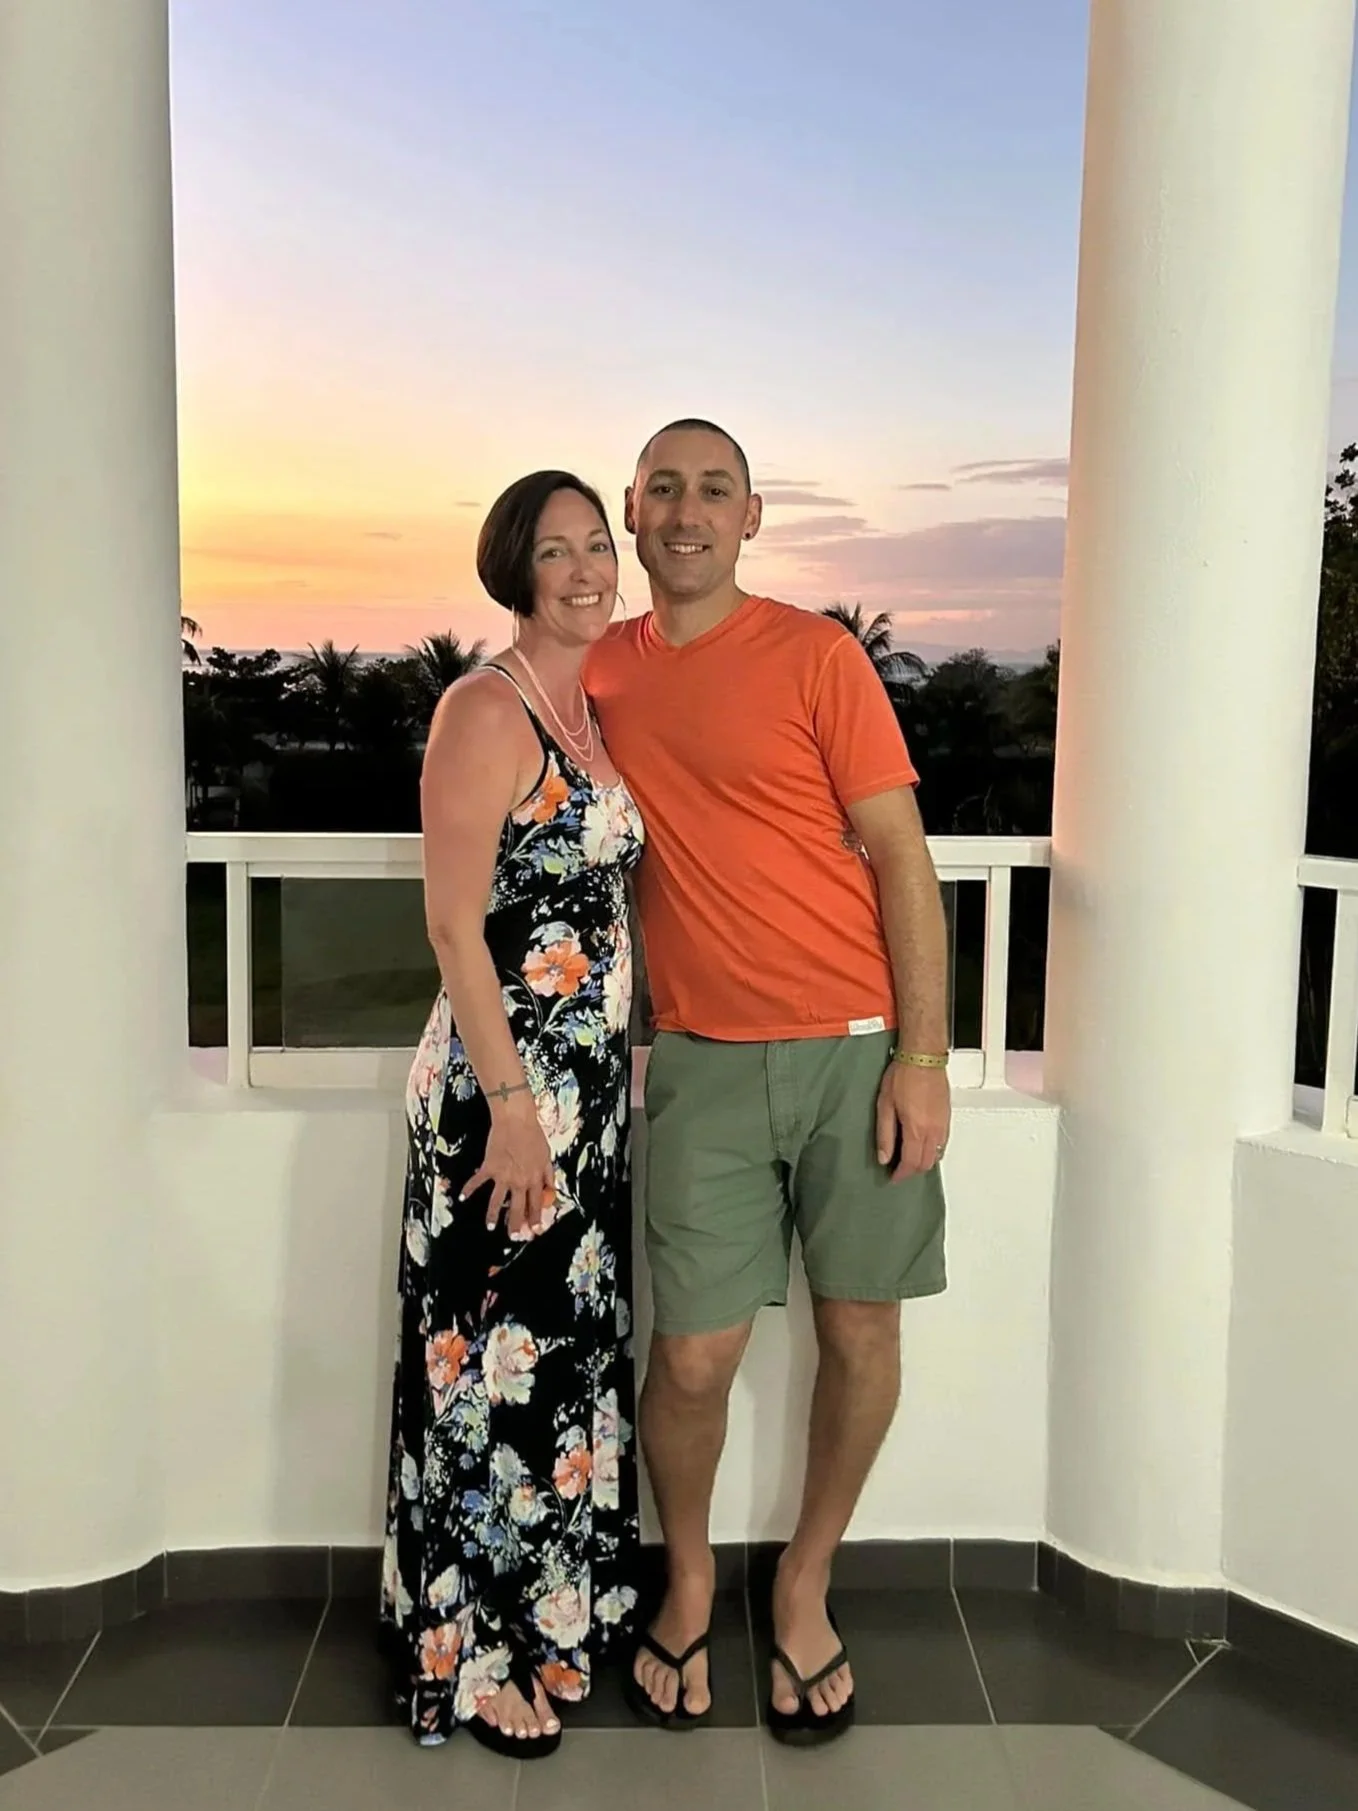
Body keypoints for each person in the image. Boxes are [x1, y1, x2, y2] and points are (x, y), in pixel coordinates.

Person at [585, 419, 951, 1748]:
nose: (686, 510)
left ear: (751, 517)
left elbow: (900, 858)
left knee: (861, 1332)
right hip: (696, 1061)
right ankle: (686, 1576)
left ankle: (803, 1578)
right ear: (633, 512)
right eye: (662, 487)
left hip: (858, 1048)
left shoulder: (816, 655)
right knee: (689, 1356)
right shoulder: (596, 674)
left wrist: (922, 1056)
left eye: (713, 489)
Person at [379, 471, 644, 1759]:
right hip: (504, 1103)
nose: (591, 567)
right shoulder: (485, 708)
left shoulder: (589, 711)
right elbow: (452, 924)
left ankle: (548, 1617)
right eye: (561, 551)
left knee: (558, 1366)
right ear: (516, 569)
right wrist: (514, 1108)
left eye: (602, 543)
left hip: (583, 1106)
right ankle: (472, 1650)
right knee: (487, 1374)